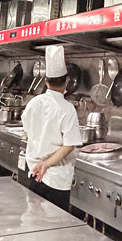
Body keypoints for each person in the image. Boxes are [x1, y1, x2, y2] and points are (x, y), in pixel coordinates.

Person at [22, 45, 82, 211]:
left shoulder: (33, 103)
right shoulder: (67, 108)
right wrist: (46, 164)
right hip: (56, 178)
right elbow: (69, 145)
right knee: (56, 222)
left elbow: (26, 133)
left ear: (46, 82)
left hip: (35, 173)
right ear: (67, 81)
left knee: (34, 219)